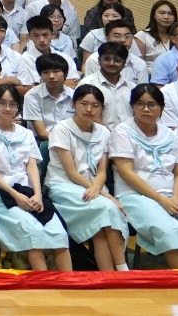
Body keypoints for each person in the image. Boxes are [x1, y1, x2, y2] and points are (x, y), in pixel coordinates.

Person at [109, 83, 178, 268]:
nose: (146, 109)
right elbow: (126, 172)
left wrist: (176, 198)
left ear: (161, 108)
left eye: (152, 105)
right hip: (135, 196)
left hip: (171, 196)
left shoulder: (170, 135)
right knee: (171, 232)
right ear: (132, 106)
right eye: (140, 104)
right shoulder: (122, 132)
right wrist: (161, 200)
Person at [0, 84, 71, 270]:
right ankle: (43, 284)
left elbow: (32, 167)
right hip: (0, 196)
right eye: (2, 103)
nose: (8, 108)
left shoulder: (26, 134)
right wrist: (15, 196)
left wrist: (38, 194)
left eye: (13, 104)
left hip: (29, 194)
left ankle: (69, 284)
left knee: (58, 233)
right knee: (32, 231)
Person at [46, 84, 130, 271]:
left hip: (94, 187)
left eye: (95, 105)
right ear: (74, 104)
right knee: (107, 208)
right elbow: (71, 173)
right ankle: (122, 270)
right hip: (64, 186)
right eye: (84, 104)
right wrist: (107, 196)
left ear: (102, 108)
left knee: (100, 226)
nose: (89, 109)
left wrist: (97, 189)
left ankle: (111, 276)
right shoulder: (62, 129)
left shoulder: (104, 132)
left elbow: (102, 171)